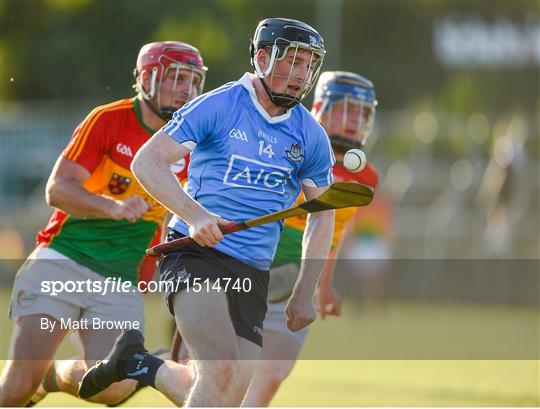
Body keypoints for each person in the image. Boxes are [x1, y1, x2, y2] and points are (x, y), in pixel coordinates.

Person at [78, 17, 335, 407]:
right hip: (195, 253)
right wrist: (196, 215)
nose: (300, 74)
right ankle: (143, 363)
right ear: (263, 58)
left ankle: (141, 364)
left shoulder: (310, 134)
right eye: (291, 61)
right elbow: (148, 162)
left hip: (253, 271)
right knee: (221, 370)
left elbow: (322, 213)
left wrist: (305, 291)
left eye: (307, 64)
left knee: (228, 395)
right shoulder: (221, 104)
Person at [0, 41, 206, 407]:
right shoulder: (109, 119)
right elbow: (58, 189)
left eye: (192, 81)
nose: (185, 90)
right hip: (63, 260)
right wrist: (111, 207)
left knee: (112, 388)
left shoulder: (194, 144)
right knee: (15, 390)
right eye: (176, 78)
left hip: (119, 278)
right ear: (146, 78)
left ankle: (49, 378)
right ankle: (34, 379)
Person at [240, 71, 379, 405]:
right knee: (216, 371)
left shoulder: (365, 176)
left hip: (294, 284)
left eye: (361, 112)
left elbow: (334, 232)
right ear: (321, 108)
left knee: (274, 371)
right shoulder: (288, 144)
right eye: (345, 109)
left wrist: (323, 284)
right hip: (243, 271)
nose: (353, 120)